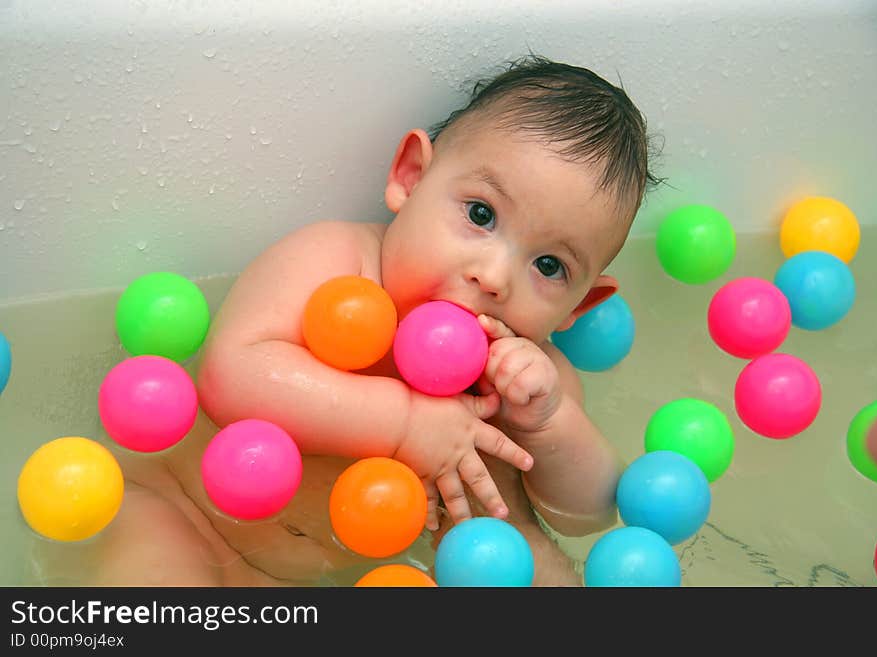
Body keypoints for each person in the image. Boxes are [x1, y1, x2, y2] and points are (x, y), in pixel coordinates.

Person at [32, 54, 659, 587]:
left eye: (549, 265)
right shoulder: (335, 263)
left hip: (379, 569)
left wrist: (549, 422)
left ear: (579, 305)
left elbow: (587, 512)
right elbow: (233, 373)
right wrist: (406, 423)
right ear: (410, 178)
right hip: (197, 518)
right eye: (481, 214)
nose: (494, 276)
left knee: (540, 564)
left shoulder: (531, 378)